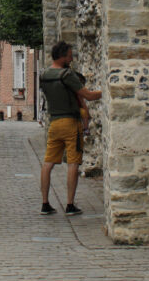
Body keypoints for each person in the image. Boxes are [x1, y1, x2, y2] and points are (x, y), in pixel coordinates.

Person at [39, 41, 102, 216]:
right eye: (69, 55)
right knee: (73, 163)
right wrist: (107, 91)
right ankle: (69, 204)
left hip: (54, 122)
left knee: (48, 163)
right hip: (70, 122)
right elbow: (88, 95)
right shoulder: (67, 74)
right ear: (62, 56)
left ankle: (45, 203)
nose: (71, 58)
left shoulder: (44, 75)